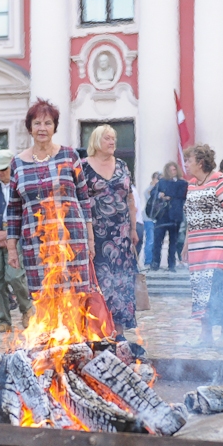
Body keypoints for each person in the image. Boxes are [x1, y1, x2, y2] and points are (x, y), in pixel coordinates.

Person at [5, 99, 95, 294]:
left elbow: (84, 199)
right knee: (43, 297)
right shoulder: (17, 163)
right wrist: (12, 248)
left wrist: (90, 239)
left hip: (71, 239)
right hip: (36, 242)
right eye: (37, 123)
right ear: (29, 128)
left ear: (54, 127)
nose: (42, 128)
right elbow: (13, 210)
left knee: (75, 295)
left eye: (47, 123)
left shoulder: (70, 156)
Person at [180, 144, 223, 345]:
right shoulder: (191, 184)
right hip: (197, 245)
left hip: (218, 241)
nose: (186, 164)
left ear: (200, 161)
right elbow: (191, 217)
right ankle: (206, 334)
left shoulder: (220, 180)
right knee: (200, 287)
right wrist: (186, 244)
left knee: (218, 286)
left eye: (188, 160)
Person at [83, 124, 138, 337]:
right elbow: (79, 201)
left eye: (113, 138)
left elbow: (130, 198)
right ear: (96, 141)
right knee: (99, 283)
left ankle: (120, 331)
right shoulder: (83, 166)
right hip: (95, 236)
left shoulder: (123, 165)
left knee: (122, 282)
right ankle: (98, 330)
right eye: (107, 138)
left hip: (121, 235)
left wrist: (133, 228)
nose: (112, 142)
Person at [0, 149, 33, 334]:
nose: (0, 173)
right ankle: (4, 321)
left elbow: (25, 211)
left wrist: (8, 233)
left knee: (15, 276)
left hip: (16, 236)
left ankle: (27, 309)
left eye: (3, 169)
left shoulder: (20, 182)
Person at [151, 162, 187, 272]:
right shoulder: (161, 182)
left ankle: (171, 264)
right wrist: (159, 195)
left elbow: (180, 195)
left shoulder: (182, 183)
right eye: (171, 170)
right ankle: (155, 263)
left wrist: (168, 195)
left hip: (175, 216)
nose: (173, 172)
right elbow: (153, 193)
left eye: (175, 169)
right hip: (162, 216)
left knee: (173, 242)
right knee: (158, 241)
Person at [142, 171, 161, 267]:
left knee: (155, 241)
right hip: (149, 219)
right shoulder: (149, 190)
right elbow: (151, 199)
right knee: (150, 240)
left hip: (157, 219)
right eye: (158, 179)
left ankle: (154, 261)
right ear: (153, 179)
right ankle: (148, 261)